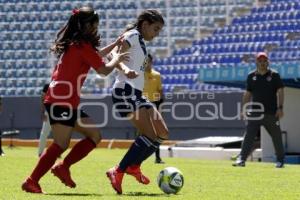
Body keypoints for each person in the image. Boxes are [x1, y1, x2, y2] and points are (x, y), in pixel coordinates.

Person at [21, 6, 129, 194]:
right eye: (94, 25)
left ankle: (62, 167)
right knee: (60, 144)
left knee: (95, 136)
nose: (96, 28)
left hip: (63, 100)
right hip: (60, 100)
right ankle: (31, 181)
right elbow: (103, 70)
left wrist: (114, 45)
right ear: (85, 25)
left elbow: (95, 56)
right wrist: (117, 58)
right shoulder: (81, 46)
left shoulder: (76, 44)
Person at [106, 9, 168, 194]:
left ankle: (134, 166)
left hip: (137, 94)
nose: (156, 34)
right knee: (149, 134)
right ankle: (118, 171)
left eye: (159, 30)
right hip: (125, 91)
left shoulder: (140, 41)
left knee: (163, 133)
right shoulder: (132, 35)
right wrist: (125, 69)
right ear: (145, 24)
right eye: (155, 29)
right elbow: (113, 55)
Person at [233, 52, 285, 168]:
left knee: (276, 137)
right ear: (256, 62)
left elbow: (280, 91)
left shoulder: (274, 75)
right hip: (255, 113)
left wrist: (280, 108)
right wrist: (244, 109)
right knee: (248, 136)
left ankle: (280, 160)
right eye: (260, 61)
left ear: (268, 62)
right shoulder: (251, 76)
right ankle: (241, 159)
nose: (262, 63)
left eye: (264, 61)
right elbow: (247, 94)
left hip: (271, 113)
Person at [143, 54, 165, 164]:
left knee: (157, 131)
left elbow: (160, 92)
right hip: (142, 105)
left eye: (148, 61)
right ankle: (139, 156)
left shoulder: (157, 75)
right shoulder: (140, 75)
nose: (147, 63)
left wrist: (160, 103)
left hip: (154, 105)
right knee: (142, 131)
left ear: (152, 62)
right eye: (145, 61)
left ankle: (158, 157)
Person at [37, 83, 51, 157]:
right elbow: (42, 98)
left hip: (60, 111)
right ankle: (40, 152)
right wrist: (42, 112)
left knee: (59, 134)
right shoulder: (47, 85)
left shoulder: (62, 84)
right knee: (44, 133)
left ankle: (57, 153)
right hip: (49, 111)